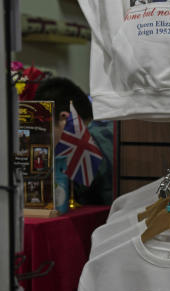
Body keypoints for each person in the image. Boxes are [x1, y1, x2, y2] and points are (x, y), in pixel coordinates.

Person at [34, 76, 114, 205]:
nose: (45, 139)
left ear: (64, 118)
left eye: (45, 128)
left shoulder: (81, 148)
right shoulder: (115, 132)